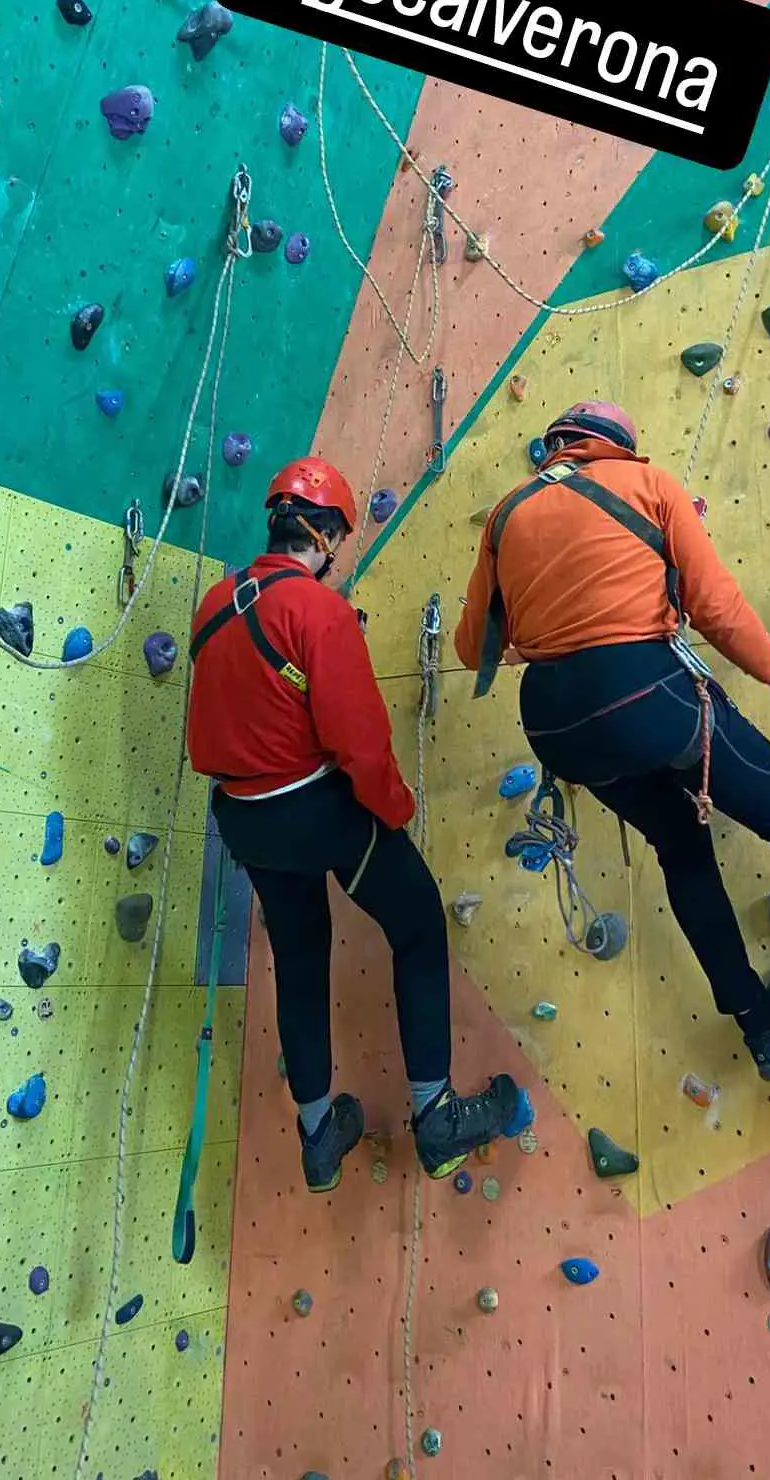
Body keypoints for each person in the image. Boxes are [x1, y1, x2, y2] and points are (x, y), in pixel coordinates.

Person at [455, 400, 770, 1080]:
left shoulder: (507, 513)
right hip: (644, 693)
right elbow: (714, 605)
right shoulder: (647, 483)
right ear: (619, 445)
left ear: (559, 446)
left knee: (682, 851)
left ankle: (765, 1028)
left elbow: (472, 650)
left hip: (554, 724)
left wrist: (556, 640)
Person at [186, 454, 525, 1191]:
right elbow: (360, 744)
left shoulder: (214, 605)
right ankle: (436, 1115)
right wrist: (396, 810)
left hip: (243, 820)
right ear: (330, 536)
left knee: (300, 957)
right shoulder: (319, 612)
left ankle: (318, 1134)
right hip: (315, 809)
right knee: (417, 922)